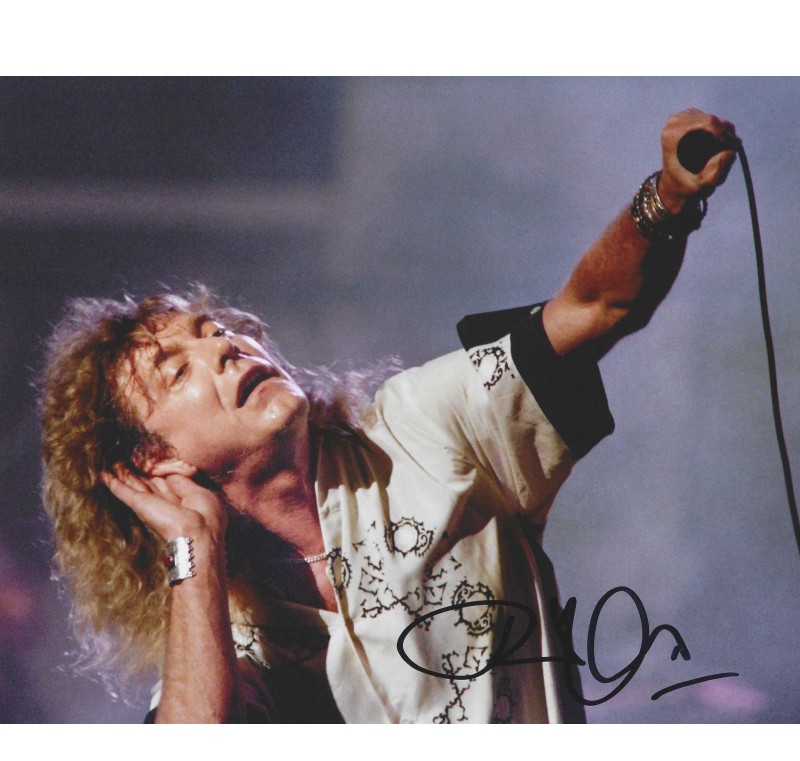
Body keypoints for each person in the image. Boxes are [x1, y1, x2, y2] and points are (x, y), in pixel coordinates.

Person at [39, 109, 737, 723]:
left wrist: (668, 198)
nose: (224, 347)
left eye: (214, 330)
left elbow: (593, 309)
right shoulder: (223, 631)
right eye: (177, 369)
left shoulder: (423, 428)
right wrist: (194, 550)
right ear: (153, 460)